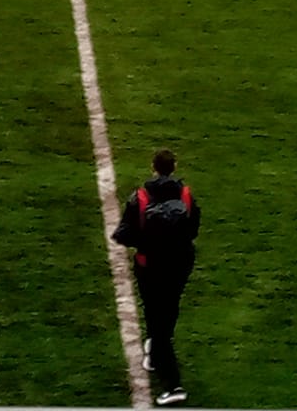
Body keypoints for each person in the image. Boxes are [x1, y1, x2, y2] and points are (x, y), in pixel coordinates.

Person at [112, 149, 200, 408]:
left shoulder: (139, 198)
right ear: (174, 167)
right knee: (168, 309)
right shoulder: (186, 196)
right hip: (180, 264)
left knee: (155, 315)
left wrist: (146, 241)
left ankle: (173, 385)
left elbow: (122, 235)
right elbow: (193, 229)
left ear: (153, 167)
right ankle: (153, 351)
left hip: (150, 265)